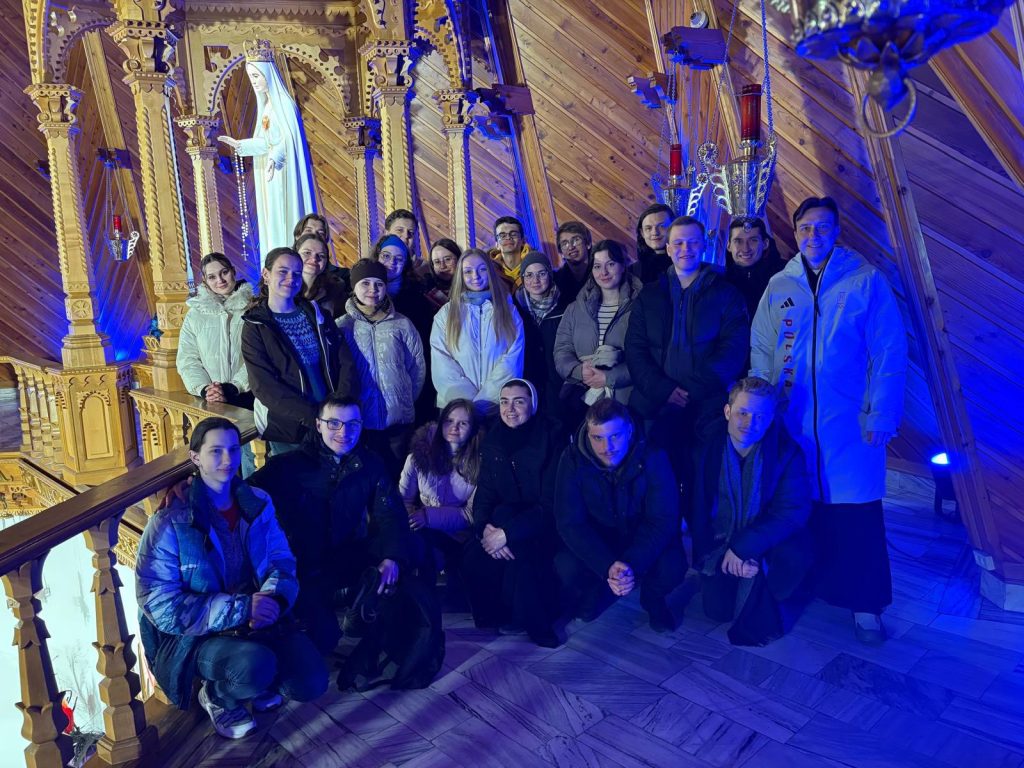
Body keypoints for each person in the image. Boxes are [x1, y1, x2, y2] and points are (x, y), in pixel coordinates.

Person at [750, 196, 907, 644]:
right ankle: (813, 587)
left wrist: (882, 412)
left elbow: (889, 351)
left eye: (822, 227)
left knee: (856, 513)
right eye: (805, 228)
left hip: (849, 422)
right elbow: (762, 348)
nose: (813, 236)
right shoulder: (780, 285)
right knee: (803, 508)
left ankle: (866, 605)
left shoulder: (864, 281)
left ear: (837, 232)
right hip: (795, 419)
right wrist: (763, 409)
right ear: (796, 233)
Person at [136, 417, 327, 739]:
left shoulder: (257, 502)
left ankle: (261, 681)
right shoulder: (172, 519)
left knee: (311, 682)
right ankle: (218, 697)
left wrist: (272, 599)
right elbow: (159, 603)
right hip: (198, 635)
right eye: (215, 451)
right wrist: (242, 609)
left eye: (234, 449)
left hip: (257, 619)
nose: (227, 459)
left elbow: (280, 558)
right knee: (254, 666)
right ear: (195, 457)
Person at [250, 396, 443, 689]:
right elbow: (243, 491)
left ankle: (368, 607)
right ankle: (333, 612)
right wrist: (192, 486)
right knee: (325, 639)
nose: (344, 432)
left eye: (352, 424)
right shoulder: (288, 466)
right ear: (319, 425)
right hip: (304, 566)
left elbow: (390, 514)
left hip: (345, 554)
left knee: (414, 547)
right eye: (334, 423)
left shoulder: (369, 463)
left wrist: (391, 557)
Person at [626, 215, 749, 519]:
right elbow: (635, 349)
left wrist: (690, 391)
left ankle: (701, 541)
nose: (686, 249)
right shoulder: (649, 295)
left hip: (706, 407)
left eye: (693, 242)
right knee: (658, 489)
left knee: (702, 489)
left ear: (703, 245)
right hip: (655, 406)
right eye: (678, 243)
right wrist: (664, 390)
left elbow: (733, 351)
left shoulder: (726, 294)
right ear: (668, 248)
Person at [690, 377, 814, 646]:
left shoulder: (786, 452)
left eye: (760, 416)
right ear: (727, 411)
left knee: (790, 562)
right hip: (720, 539)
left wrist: (744, 549)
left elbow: (792, 512)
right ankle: (732, 570)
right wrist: (715, 552)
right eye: (743, 413)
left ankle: (765, 578)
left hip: (767, 543)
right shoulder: (705, 448)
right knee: (716, 611)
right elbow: (697, 509)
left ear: (771, 419)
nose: (749, 423)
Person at [555, 398, 686, 632]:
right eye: (598, 438)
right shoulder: (572, 459)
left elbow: (662, 520)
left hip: (641, 535)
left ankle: (652, 598)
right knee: (565, 565)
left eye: (615, 436)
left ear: (629, 431)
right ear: (588, 434)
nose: (607, 447)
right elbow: (570, 523)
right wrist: (607, 565)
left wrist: (630, 564)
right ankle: (602, 586)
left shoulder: (654, 457)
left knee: (673, 565)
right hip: (602, 539)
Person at [462, 379, 560, 647]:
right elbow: (485, 493)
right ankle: (494, 616)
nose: (510, 409)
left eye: (519, 402)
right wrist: (484, 528)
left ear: (532, 405)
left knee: (523, 556)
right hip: (503, 519)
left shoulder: (551, 438)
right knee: (474, 554)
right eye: (504, 402)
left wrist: (506, 534)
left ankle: (534, 624)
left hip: (540, 522)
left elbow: (550, 504)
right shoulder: (493, 440)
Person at [241, 247, 353, 452]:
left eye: (296, 273)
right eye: (282, 271)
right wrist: (312, 416)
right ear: (266, 274)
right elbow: (263, 385)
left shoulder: (316, 313)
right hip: (290, 427)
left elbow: (344, 359)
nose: (290, 278)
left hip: (331, 419)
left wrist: (339, 405)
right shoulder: (255, 325)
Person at [218, 50, 317, 253]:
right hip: (272, 177)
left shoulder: (285, 105)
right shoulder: (267, 106)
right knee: (274, 218)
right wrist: (240, 145)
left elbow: (288, 141)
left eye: (256, 75)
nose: (253, 81)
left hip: (285, 173)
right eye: (250, 77)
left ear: (268, 74)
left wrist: (274, 159)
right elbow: (266, 142)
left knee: (286, 212)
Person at [338, 259, 425, 475]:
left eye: (379, 284)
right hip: (360, 421)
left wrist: (405, 399)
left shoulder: (402, 324)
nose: (373, 289)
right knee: (365, 478)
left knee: (397, 476)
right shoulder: (343, 326)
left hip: (398, 420)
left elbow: (416, 367)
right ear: (354, 287)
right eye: (365, 283)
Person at [554, 239, 642, 433]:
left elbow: (648, 357)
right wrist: (578, 370)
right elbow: (562, 350)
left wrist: (610, 377)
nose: (604, 272)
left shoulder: (640, 306)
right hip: (583, 400)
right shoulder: (576, 308)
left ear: (623, 266)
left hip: (627, 399)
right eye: (597, 266)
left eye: (610, 264)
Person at [430, 249, 525, 416]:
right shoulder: (446, 314)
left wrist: (486, 402)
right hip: (457, 411)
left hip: (497, 407)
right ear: (460, 275)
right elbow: (442, 363)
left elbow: (512, 360)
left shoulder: (509, 311)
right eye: (468, 271)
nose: (476, 276)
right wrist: (467, 405)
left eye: (482, 269)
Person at [399, 398, 483, 584]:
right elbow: (404, 499)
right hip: (423, 529)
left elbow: (470, 513)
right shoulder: (418, 457)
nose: (454, 427)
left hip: (459, 535)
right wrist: (412, 518)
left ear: (472, 428)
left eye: (463, 423)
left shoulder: (479, 463)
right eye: (449, 421)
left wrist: (428, 516)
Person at [178, 253, 255, 409]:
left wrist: (235, 386)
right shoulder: (195, 315)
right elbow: (188, 358)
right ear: (205, 281)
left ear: (233, 271)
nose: (220, 280)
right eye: (212, 277)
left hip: (249, 396)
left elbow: (259, 356)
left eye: (224, 272)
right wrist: (205, 389)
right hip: (211, 400)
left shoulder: (253, 308)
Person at [514, 251, 569, 429]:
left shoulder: (566, 307)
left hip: (558, 384)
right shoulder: (514, 309)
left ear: (550, 275)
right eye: (529, 275)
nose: (535, 280)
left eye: (541, 273)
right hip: (526, 383)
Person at [724, 217, 786, 322]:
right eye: (738, 241)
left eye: (753, 240)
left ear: (765, 243)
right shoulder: (719, 280)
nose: (745, 249)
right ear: (729, 246)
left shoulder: (785, 276)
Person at [296, 233, 347, 321]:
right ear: (295, 254)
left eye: (321, 255)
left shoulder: (335, 291)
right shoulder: (282, 288)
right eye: (307, 253)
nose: (314, 259)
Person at [634, 203, 674, 284]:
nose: (655, 232)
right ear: (642, 233)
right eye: (648, 228)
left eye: (662, 226)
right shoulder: (634, 272)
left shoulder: (686, 263)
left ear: (674, 227)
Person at [489, 216, 532, 289]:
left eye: (513, 234)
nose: (508, 237)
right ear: (497, 244)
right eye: (502, 236)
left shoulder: (535, 264)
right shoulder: (489, 270)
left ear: (523, 241)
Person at [554, 221, 592, 302]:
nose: (571, 247)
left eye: (576, 240)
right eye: (565, 243)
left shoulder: (602, 272)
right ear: (561, 253)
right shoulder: (557, 282)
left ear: (588, 244)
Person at [425, 238, 461, 309]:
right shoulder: (427, 293)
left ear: (459, 259)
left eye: (447, 259)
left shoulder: (472, 286)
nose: (443, 266)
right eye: (437, 262)